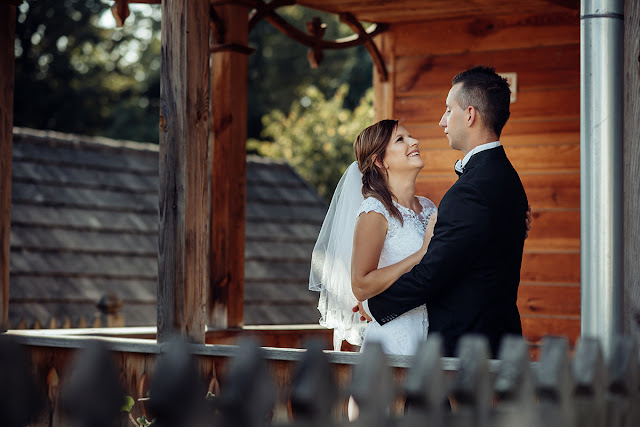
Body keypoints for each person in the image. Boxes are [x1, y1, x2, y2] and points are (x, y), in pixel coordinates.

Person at [360, 65, 529, 358]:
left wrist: (374, 306)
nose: (442, 121)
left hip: (465, 347)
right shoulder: (507, 179)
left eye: (449, 110)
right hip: (493, 339)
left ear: (470, 115)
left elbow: (432, 274)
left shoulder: (471, 189)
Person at [309, 119, 438, 355]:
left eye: (410, 137)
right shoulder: (374, 212)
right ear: (380, 161)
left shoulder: (429, 208)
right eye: (401, 140)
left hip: (432, 337)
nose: (414, 141)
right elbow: (360, 285)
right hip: (392, 339)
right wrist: (420, 255)